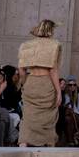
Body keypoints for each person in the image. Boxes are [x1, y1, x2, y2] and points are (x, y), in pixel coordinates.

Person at [16, 19, 62, 147]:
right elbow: (53, 69)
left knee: (28, 117)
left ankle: (23, 144)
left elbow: (21, 69)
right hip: (46, 83)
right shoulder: (54, 45)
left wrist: (24, 83)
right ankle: (49, 145)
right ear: (51, 30)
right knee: (48, 117)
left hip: (30, 81)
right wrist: (59, 92)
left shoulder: (26, 45)